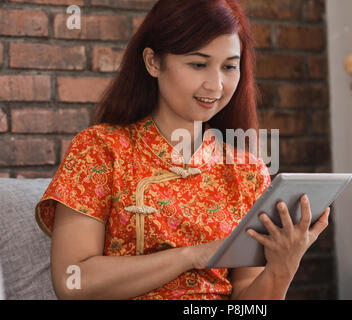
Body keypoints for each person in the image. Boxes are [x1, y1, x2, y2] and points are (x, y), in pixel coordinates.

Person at [34, 0, 330, 300]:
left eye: (229, 66)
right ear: (153, 62)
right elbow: (72, 283)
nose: (216, 86)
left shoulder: (247, 169)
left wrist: (284, 265)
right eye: (198, 64)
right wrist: (192, 256)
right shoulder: (99, 149)